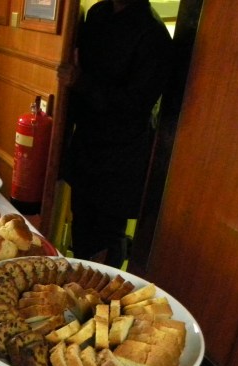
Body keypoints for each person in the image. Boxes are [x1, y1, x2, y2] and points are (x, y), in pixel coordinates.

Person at [61, 0, 173, 267]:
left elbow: (135, 105)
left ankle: (102, 299)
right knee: (82, 224)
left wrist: (81, 83)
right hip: (87, 144)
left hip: (119, 156)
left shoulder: (153, 34)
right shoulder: (99, 12)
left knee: (107, 236)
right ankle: (79, 287)